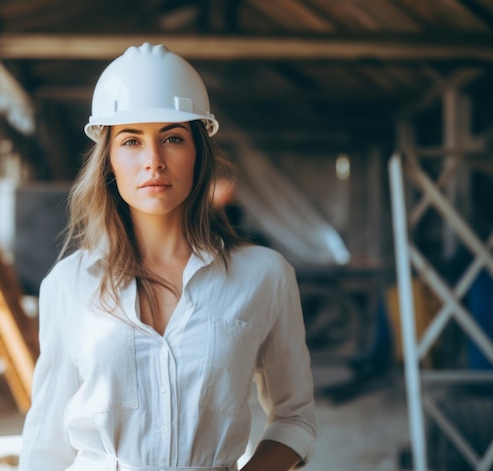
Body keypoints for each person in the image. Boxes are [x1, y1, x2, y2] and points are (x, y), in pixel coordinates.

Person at [19, 42, 316, 471]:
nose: (153, 161)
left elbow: (295, 419)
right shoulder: (68, 284)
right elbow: (45, 446)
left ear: (199, 152)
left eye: (173, 138)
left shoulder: (265, 276)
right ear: (109, 161)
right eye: (131, 141)